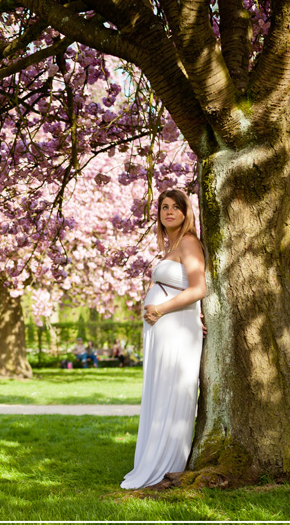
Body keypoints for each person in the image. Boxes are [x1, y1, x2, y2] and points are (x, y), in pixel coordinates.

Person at [121, 188, 206, 490]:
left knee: (173, 391)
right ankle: (151, 460)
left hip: (177, 328)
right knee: (158, 392)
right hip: (163, 328)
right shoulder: (170, 247)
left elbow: (198, 289)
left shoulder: (189, 242)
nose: (169, 211)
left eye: (175, 207)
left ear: (186, 212)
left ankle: (167, 463)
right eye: (163, 207)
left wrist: (159, 308)